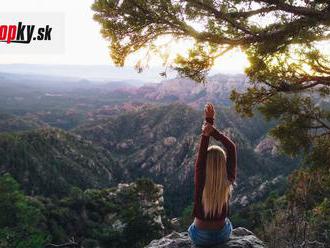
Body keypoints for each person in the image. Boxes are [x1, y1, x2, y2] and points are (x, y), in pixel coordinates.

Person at [187, 103, 237, 247]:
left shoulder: (201, 177)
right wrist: (213, 131)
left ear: (205, 164)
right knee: (228, 223)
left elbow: (201, 155)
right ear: (223, 163)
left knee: (192, 228)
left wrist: (208, 124)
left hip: (199, 237)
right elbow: (231, 148)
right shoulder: (228, 179)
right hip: (222, 235)